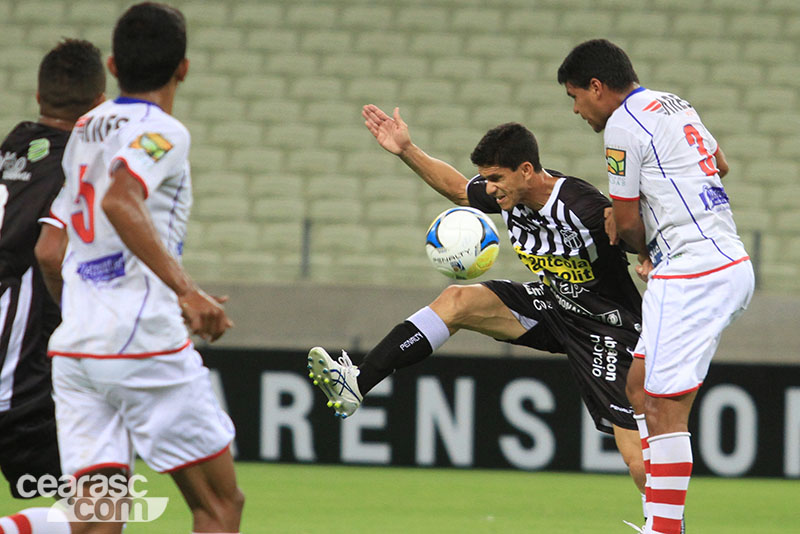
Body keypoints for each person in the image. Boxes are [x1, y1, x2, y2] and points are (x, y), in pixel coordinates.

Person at [308, 104, 650, 516]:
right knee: (458, 301)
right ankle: (358, 383)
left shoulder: (584, 209)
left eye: (495, 179)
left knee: (634, 450)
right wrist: (406, 149)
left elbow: (635, 230)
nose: (488, 189)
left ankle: (667, 525)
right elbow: (457, 189)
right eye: (486, 179)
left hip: (607, 328)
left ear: (526, 170)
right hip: (555, 304)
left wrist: (647, 253)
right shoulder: (510, 197)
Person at [1, 4, 243, 534]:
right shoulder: (166, 131)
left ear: (113, 65)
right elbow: (119, 199)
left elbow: (50, 249)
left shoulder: (86, 129)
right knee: (220, 505)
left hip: (75, 349)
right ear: (183, 68)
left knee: (98, 518)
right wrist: (188, 291)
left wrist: (86, 312)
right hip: (141, 342)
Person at [558, 38, 754, 534]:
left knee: (663, 408)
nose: (577, 109)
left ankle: (665, 530)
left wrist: (637, 239)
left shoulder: (622, 126)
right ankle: (662, 520)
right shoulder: (673, 103)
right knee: (638, 385)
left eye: (575, 96)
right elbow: (720, 167)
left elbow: (624, 224)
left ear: (597, 88)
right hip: (720, 260)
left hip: (695, 271)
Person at [0, 39, 105, 501]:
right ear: (99, 105)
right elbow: (50, 253)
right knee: (99, 502)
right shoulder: (78, 161)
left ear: (40, 97)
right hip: (23, 380)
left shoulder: (12, 148)